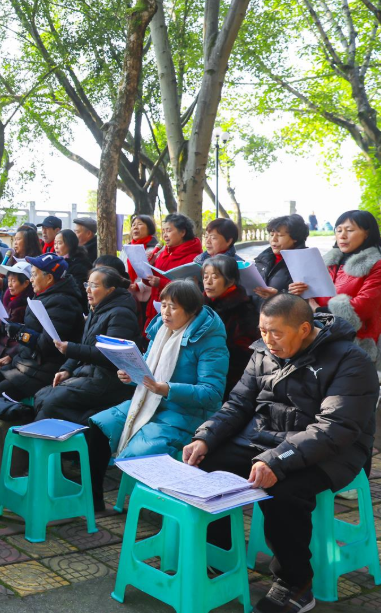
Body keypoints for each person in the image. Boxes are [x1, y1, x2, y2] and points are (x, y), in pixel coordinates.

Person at [183, 294, 378, 613]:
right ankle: (221, 556)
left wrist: (276, 459)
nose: (267, 340)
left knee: (283, 491)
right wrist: (205, 437)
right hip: (266, 439)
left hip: (333, 450)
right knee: (207, 465)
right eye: (262, 331)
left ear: (304, 329)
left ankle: (295, 583)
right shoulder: (264, 352)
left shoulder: (349, 360)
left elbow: (335, 428)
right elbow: (238, 404)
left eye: (276, 332)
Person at [86, 280, 228, 511]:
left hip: (186, 413)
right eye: (163, 305)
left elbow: (212, 393)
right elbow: (148, 371)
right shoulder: (160, 329)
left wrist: (167, 389)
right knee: (99, 425)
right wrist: (131, 375)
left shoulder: (210, 341)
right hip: (148, 402)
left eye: (173, 307)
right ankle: (94, 501)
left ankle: (151, 512)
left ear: (192, 311)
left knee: (139, 452)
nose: (166, 313)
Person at [33, 267, 140, 424]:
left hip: (109, 380)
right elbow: (85, 344)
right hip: (89, 374)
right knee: (41, 395)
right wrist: (66, 369)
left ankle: (84, 431)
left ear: (110, 290)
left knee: (51, 402)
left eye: (94, 286)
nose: (88, 290)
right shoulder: (97, 309)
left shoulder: (121, 314)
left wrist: (70, 349)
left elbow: (110, 356)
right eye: (87, 284)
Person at [0, 254, 84, 400]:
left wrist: (20, 334)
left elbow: (49, 345)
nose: (31, 279)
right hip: (28, 364)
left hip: (45, 371)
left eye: (34, 275)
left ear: (49, 278)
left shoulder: (62, 303)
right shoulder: (46, 295)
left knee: (2, 389)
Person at [310, 209, 381, 369]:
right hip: (320, 337)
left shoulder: (376, 264)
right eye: (339, 230)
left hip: (356, 342)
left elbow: (364, 306)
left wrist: (319, 311)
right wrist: (301, 292)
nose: (342, 236)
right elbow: (315, 294)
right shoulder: (328, 261)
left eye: (349, 230)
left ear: (367, 233)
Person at [202, 255, 260, 392]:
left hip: (229, 379)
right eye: (205, 277)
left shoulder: (243, 310)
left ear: (230, 281)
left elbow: (244, 352)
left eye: (215, 277)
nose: (208, 282)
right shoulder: (202, 305)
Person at [143, 213, 203, 328]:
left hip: (176, 315)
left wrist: (160, 283)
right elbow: (152, 280)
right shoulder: (163, 253)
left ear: (182, 232)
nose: (165, 235)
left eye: (169, 230)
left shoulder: (193, 258)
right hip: (155, 309)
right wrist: (147, 269)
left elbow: (190, 288)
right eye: (163, 231)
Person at [253, 214, 309, 301]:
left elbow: (306, 300)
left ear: (295, 238)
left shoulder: (306, 263)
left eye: (280, 235)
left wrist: (278, 295)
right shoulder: (262, 259)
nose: (274, 239)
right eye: (271, 235)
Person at [54, 229, 91, 305]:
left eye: (59, 243)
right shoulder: (58, 262)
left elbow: (77, 290)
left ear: (70, 244)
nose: (56, 247)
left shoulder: (79, 265)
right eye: (55, 243)